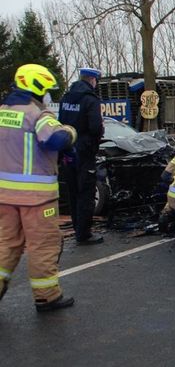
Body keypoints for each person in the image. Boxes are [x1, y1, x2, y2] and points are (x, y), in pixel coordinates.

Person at [0, 64, 77, 312]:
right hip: (37, 198)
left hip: (4, 196)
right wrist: (70, 132)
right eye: (46, 90)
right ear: (37, 86)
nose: (47, 96)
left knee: (5, 244)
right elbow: (54, 139)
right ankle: (47, 295)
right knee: (43, 245)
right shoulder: (38, 115)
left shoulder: (2, 112)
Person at [59, 67, 104, 245]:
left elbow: (61, 123)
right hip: (85, 152)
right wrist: (96, 137)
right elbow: (95, 127)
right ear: (92, 80)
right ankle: (84, 234)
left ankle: (78, 228)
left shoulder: (66, 97)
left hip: (68, 150)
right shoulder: (90, 100)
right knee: (86, 192)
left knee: (73, 192)